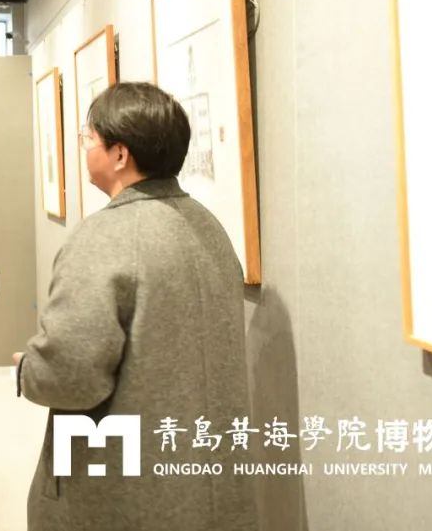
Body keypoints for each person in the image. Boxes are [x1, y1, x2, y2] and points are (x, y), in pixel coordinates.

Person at [15, 82, 258, 531]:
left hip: (125, 488)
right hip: (200, 476)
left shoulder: (105, 236)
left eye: (88, 138)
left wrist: (29, 368)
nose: (84, 148)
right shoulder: (209, 226)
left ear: (119, 154)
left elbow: (70, 378)